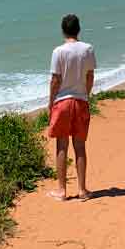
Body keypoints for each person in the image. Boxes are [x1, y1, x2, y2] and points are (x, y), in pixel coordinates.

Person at [48, 14, 96, 201]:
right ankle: (83, 190)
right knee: (80, 146)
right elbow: (90, 76)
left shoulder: (58, 52)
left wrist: (50, 102)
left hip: (63, 102)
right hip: (80, 100)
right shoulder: (88, 49)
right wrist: (86, 94)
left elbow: (55, 80)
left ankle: (61, 190)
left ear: (63, 30)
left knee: (61, 145)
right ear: (78, 29)